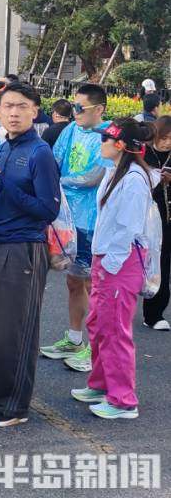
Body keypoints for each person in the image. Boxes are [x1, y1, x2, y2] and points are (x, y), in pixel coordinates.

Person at [0, 82, 60, 427]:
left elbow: (47, 209)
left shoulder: (40, 152)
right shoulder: (3, 147)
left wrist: (4, 187)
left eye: (22, 106)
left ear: (35, 111)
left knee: (14, 330)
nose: (14, 112)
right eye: (7, 106)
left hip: (22, 247)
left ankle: (14, 405)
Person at [71, 118, 155, 420]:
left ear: (120, 145)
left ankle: (123, 400)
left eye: (105, 138)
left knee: (115, 330)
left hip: (118, 262)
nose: (101, 143)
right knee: (98, 324)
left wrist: (110, 264)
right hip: (108, 259)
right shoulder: (116, 171)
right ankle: (101, 384)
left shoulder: (133, 179)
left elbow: (128, 228)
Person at [41, 84, 108, 373]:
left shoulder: (108, 135)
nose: (75, 112)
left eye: (81, 107)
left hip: (91, 220)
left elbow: (94, 177)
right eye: (74, 106)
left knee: (94, 285)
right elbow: (54, 159)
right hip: (68, 218)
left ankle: (96, 348)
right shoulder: (70, 130)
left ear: (99, 109)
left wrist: (59, 181)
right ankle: (74, 338)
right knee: (73, 281)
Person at [143, 116, 171, 331]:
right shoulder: (143, 153)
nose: (167, 143)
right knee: (150, 261)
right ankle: (150, 313)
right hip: (147, 217)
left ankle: (156, 312)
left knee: (164, 263)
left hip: (167, 217)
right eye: (164, 137)